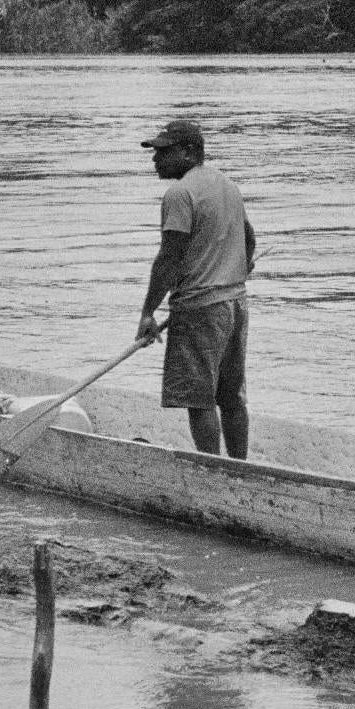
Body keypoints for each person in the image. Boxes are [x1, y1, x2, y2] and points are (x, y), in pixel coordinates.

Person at [135, 118, 255, 458]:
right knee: (231, 397)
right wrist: (241, 265)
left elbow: (169, 258)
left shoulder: (180, 193)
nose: (155, 160)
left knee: (199, 398)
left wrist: (147, 313)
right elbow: (248, 237)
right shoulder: (227, 185)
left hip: (200, 309)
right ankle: (239, 467)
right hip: (235, 304)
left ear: (188, 153)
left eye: (163, 152)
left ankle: (212, 470)